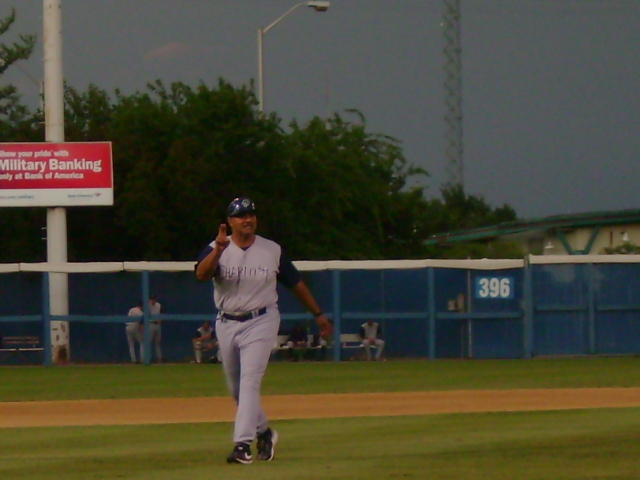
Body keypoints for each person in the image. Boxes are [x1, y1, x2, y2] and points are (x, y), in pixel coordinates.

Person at [195, 196, 332, 465]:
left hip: (262, 319)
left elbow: (296, 283)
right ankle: (265, 432)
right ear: (230, 221)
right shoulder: (216, 247)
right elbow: (201, 274)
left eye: (251, 214)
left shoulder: (271, 250)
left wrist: (318, 314)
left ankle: (242, 445)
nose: (247, 219)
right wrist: (218, 251)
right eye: (241, 215)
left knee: (249, 381)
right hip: (226, 321)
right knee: (236, 389)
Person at [148, 294, 163, 362]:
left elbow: (161, 313)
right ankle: (147, 358)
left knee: (157, 342)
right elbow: (146, 314)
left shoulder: (158, 305)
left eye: (154, 299)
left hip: (158, 324)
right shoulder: (147, 305)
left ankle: (159, 358)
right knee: (149, 342)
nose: (153, 300)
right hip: (151, 324)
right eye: (152, 299)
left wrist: (160, 320)